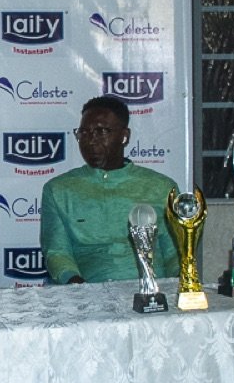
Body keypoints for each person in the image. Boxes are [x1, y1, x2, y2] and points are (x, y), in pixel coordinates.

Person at [40, 95, 179, 284]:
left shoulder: (162, 187)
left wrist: (177, 286)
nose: (90, 140)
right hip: (88, 290)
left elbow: (174, 253)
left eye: (101, 131)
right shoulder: (58, 190)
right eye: (84, 133)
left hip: (154, 290)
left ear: (124, 136)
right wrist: (79, 289)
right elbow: (57, 253)